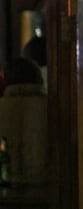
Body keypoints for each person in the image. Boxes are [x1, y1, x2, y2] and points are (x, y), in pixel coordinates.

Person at [0, 57, 48, 186]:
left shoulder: (2, 108)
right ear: (39, 78)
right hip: (46, 189)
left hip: (6, 189)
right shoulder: (52, 108)